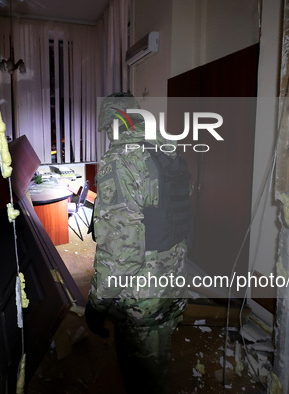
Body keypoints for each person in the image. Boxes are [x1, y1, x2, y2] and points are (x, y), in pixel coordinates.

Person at [85, 93, 191, 393]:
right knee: (159, 362)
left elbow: (121, 253)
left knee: (141, 378)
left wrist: (98, 303)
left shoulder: (121, 160)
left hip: (142, 292)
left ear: (111, 124)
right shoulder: (167, 150)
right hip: (173, 278)